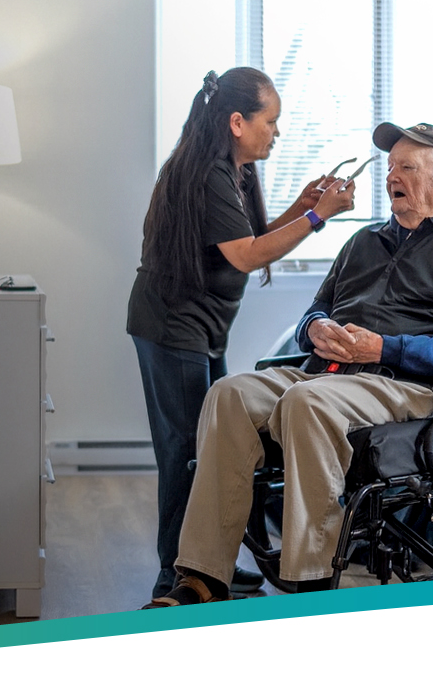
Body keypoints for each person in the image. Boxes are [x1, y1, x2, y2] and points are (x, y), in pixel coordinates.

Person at [142, 121, 433, 607]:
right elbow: (313, 315)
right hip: (330, 373)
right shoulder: (362, 242)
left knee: (306, 401)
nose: (391, 177)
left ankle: (311, 581)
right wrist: (315, 329)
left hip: (407, 385)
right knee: (229, 394)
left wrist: (383, 348)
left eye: (407, 167)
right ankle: (201, 578)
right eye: (390, 167)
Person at [127, 67, 356, 600]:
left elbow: (244, 236)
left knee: (212, 446)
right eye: (270, 121)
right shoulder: (208, 174)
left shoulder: (234, 172)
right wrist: (319, 218)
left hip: (201, 330)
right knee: (186, 453)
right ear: (237, 122)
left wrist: (302, 209)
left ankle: (209, 566)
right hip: (171, 328)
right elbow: (248, 254)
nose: (276, 132)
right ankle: (177, 574)